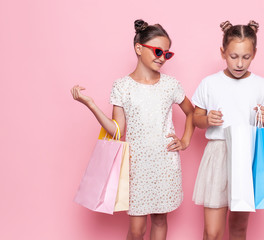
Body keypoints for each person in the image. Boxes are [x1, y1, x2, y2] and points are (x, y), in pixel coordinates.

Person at [71, 19, 194, 240]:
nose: (162, 57)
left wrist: (185, 140)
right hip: (136, 166)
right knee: (136, 230)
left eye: (167, 54)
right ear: (139, 48)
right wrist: (90, 104)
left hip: (165, 163)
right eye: (157, 51)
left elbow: (191, 112)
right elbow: (117, 130)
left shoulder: (171, 85)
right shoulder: (122, 86)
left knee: (159, 220)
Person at [192, 20, 264, 240]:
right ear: (222, 52)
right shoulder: (210, 83)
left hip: (246, 155)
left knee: (238, 228)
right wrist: (207, 119)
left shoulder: (261, 85)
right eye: (233, 56)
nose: (239, 63)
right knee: (213, 232)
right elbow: (196, 119)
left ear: (254, 53)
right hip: (218, 154)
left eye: (246, 57)